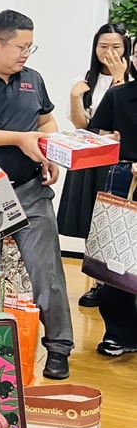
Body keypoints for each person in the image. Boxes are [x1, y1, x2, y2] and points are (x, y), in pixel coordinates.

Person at [0, 9, 74, 380]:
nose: (26, 54)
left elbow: (45, 121)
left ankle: (58, 348)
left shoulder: (32, 80)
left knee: (47, 272)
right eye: (21, 47)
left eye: (30, 47)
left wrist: (50, 150)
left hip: (31, 189)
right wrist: (20, 139)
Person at [56, 23, 132, 307]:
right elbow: (82, 125)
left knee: (119, 221)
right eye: (103, 46)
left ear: (127, 49)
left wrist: (119, 78)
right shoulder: (85, 79)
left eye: (116, 46)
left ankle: (119, 284)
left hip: (122, 161)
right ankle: (100, 281)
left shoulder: (130, 80)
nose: (109, 52)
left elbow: (124, 122)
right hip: (92, 158)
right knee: (94, 221)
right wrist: (75, 96)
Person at [88, 42, 137, 357]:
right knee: (117, 259)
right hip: (125, 178)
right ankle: (120, 333)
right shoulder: (119, 96)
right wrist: (107, 140)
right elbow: (97, 133)